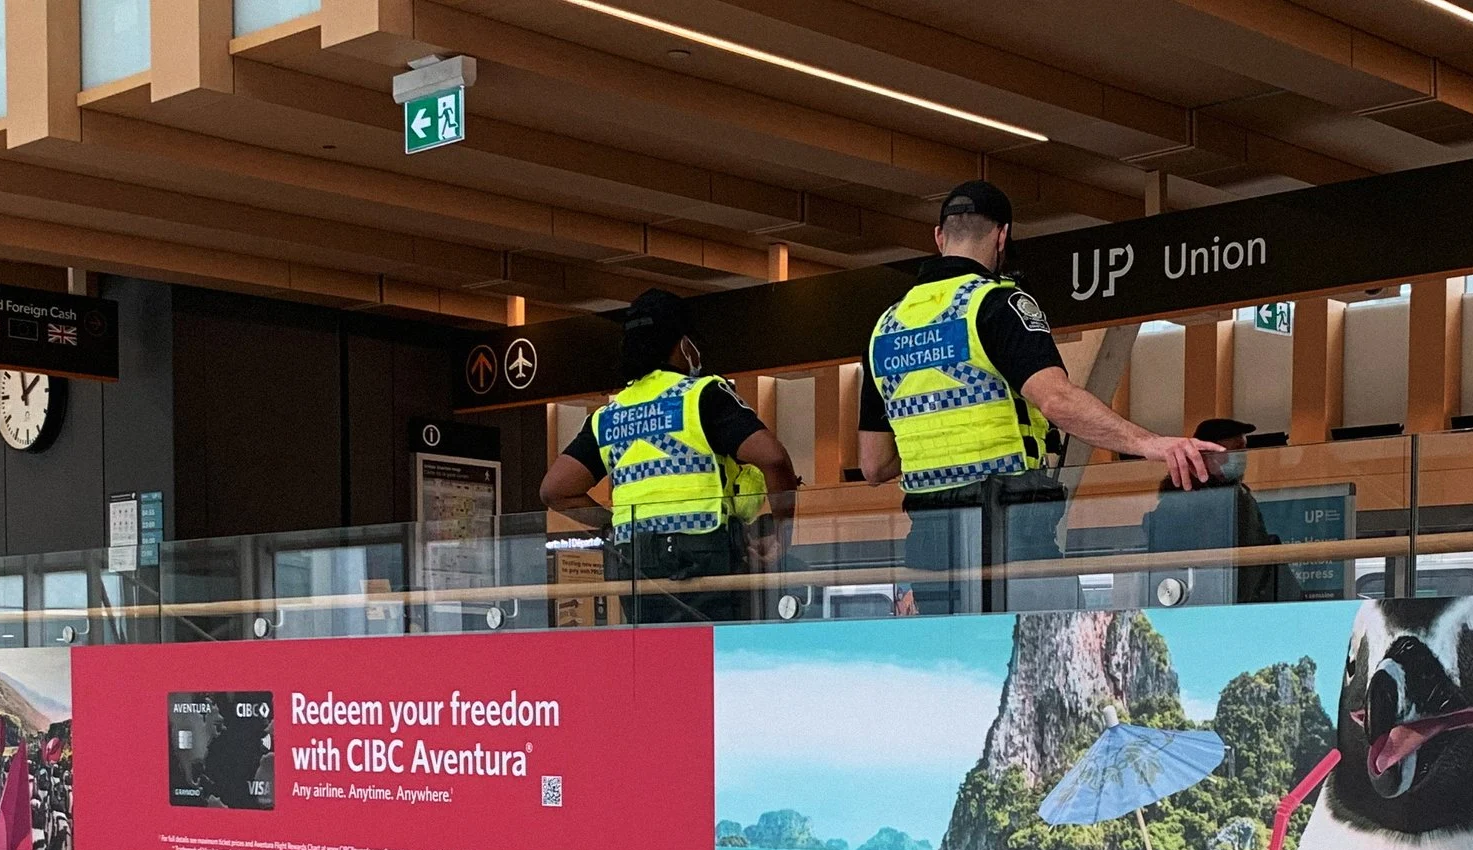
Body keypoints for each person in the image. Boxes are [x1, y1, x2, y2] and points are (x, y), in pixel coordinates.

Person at [858, 181, 1220, 615]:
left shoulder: (885, 329)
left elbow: (874, 464)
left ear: (939, 238)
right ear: (1001, 236)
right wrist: (1151, 444)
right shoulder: (995, 305)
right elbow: (1057, 401)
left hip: (931, 541)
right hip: (1010, 525)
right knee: (1046, 656)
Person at [542, 289, 798, 623]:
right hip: (706, 553)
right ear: (684, 345)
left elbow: (555, 490)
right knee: (719, 659)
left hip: (634, 561)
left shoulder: (609, 415)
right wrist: (782, 533)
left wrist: (613, 523)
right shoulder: (701, 396)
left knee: (656, 659)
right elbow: (773, 459)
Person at [1140, 417, 1285, 604]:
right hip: (1203, 600)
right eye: (1235, 450)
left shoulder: (1240, 496)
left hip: (1241, 600)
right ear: (1207, 454)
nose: (1242, 456)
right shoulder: (1181, 501)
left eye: (1244, 449)